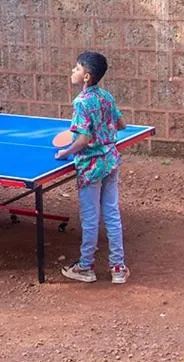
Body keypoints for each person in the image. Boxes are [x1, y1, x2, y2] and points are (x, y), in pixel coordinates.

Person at [55, 51, 129, 284]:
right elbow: (121, 124)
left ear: (86, 76)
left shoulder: (81, 102)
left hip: (91, 167)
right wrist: (104, 129)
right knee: (112, 214)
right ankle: (118, 268)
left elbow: (83, 139)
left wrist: (65, 152)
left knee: (90, 218)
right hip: (110, 161)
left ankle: (85, 267)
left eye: (77, 68)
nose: (73, 71)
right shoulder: (106, 96)